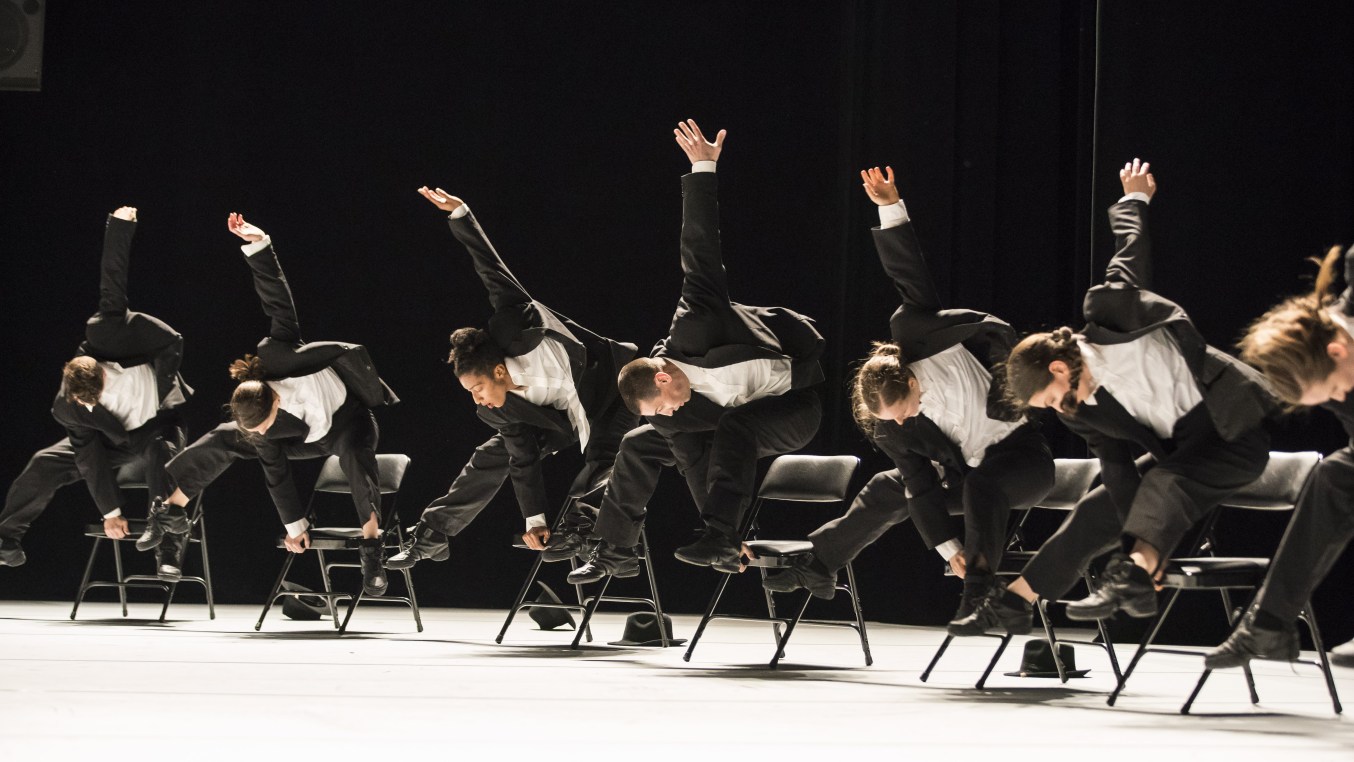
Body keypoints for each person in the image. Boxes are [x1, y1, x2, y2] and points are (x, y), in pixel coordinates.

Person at [953, 159, 1275, 635]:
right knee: (1094, 507)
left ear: (1059, 367)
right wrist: (1136, 541)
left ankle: (1133, 578)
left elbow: (1128, 256)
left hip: (1232, 432)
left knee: (1166, 479)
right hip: (1182, 456)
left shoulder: (1108, 316)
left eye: (1054, 398)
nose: (1063, 409)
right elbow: (1120, 470)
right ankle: (1018, 602)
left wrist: (1135, 199)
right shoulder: (1082, 413)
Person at [761, 167, 1054, 624]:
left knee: (982, 484)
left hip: (1023, 462)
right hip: (970, 474)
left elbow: (908, 273)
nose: (901, 423)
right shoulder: (890, 426)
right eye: (891, 420)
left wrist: (888, 206)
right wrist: (950, 548)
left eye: (904, 412)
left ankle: (980, 593)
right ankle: (819, 562)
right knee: (888, 486)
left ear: (912, 381)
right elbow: (919, 485)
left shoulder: (923, 336)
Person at [569, 120, 825, 583]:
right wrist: (719, 527)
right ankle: (617, 550)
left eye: (664, 403)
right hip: (736, 423)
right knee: (639, 443)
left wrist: (703, 167)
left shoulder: (695, 323)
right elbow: (690, 459)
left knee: (734, 424)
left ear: (664, 377)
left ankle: (722, 533)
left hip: (794, 406)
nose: (669, 411)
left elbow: (700, 249)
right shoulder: (673, 411)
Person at [385, 188, 639, 569]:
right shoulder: (499, 410)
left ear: (499, 371)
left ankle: (581, 525)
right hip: (560, 420)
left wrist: (461, 216)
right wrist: (534, 519)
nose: (477, 400)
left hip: (613, 391)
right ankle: (433, 534)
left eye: (477, 388)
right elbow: (523, 459)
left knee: (606, 455)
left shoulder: (515, 325)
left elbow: (491, 270)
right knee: (492, 455)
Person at [144, 214, 397, 596]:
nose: (260, 434)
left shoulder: (280, 354)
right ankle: (173, 516)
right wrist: (296, 526)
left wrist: (259, 244)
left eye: (262, 426)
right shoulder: (262, 429)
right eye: (257, 430)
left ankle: (372, 547)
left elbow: (278, 301)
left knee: (356, 458)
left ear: (274, 398)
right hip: (301, 438)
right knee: (223, 438)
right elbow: (276, 474)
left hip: (347, 421)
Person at [0, 206, 192, 580]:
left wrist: (119, 227)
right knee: (45, 461)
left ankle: (167, 544)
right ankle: (5, 539)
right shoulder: (69, 407)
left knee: (161, 454)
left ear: (103, 378)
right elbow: (88, 455)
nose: (88, 404)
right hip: (112, 440)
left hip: (155, 427)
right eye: (82, 402)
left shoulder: (110, 334)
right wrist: (111, 511)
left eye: (92, 398)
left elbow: (112, 282)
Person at [1204, 242, 1354, 667]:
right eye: (1333, 398)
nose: (1342, 396)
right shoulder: (1338, 382)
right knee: (1337, 476)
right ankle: (1268, 623)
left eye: (1337, 389)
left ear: (1337, 351)